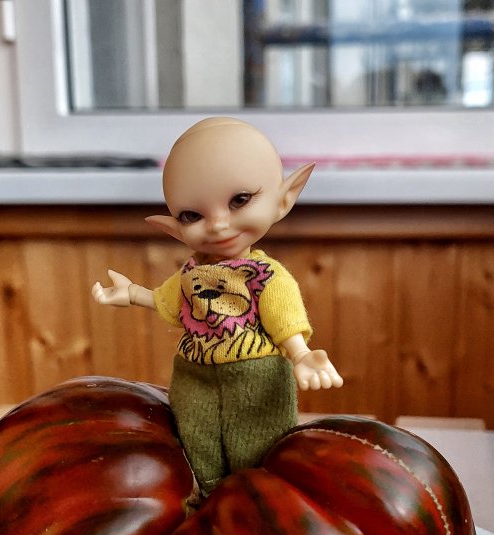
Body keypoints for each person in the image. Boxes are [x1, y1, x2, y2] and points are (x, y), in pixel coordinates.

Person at [92, 117, 343, 496]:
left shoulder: (265, 275)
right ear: (174, 228)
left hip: (254, 376)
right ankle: (207, 502)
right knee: (198, 444)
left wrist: (301, 354)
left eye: (239, 200)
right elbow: (171, 302)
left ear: (285, 198)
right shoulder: (190, 273)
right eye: (192, 216)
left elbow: (283, 318)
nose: (218, 225)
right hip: (193, 374)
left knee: (257, 447)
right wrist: (132, 294)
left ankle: (258, 503)